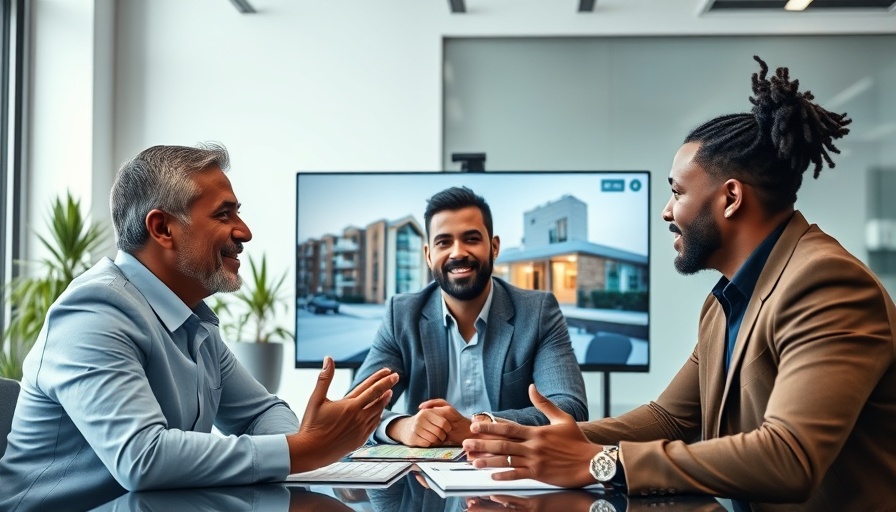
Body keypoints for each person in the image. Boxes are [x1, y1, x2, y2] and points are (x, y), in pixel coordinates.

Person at [462, 56, 896, 510]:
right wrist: (520, 439)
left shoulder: (826, 283)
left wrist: (602, 461)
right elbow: (669, 418)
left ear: (730, 198)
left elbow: (789, 457)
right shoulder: (726, 300)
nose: (667, 212)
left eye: (677, 192)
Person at [0, 143, 398, 511]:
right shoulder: (94, 311)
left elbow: (260, 412)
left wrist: (305, 440)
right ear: (162, 228)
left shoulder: (195, 322)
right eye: (224, 215)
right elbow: (143, 458)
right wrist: (302, 449)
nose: (244, 232)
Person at [350, 186, 587, 447]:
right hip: (422, 481)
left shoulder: (538, 312)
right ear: (429, 255)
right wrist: (401, 426)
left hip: (512, 472)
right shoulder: (402, 315)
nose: (458, 252)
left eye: (471, 239)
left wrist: (479, 425)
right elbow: (354, 410)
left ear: (494, 247)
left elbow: (569, 410)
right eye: (444, 242)